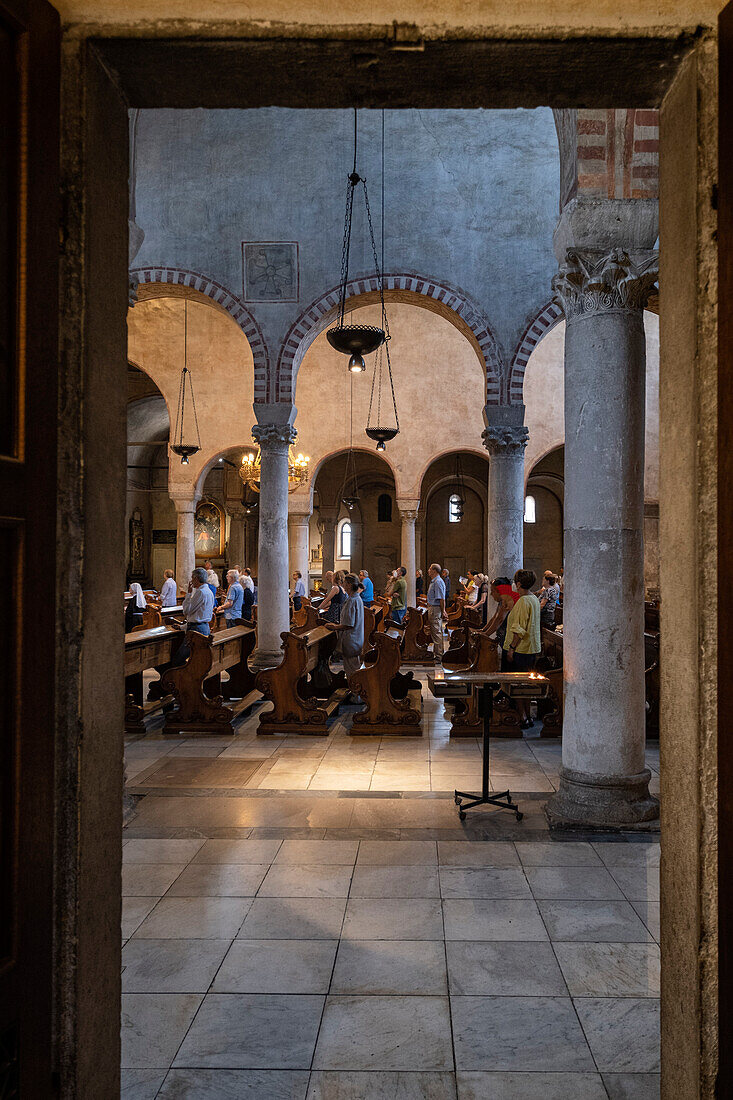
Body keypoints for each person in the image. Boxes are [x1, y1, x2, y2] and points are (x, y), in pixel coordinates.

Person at [502, 568, 542, 729]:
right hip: (531, 648)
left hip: (520, 649)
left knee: (516, 685)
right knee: (526, 685)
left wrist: (511, 648)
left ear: (518, 584)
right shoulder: (534, 599)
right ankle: (528, 716)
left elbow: (519, 628)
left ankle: (522, 716)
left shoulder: (523, 601)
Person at [324, 572, 365, 676]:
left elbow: (348, 624)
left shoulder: (352, 601)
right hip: (356, 638)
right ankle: (355, 688)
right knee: (353, 666)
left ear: (349, 585)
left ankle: (356, 690)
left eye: (345, 583)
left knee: (352, 670)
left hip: (351, 639)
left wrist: (334, 627)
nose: (343, 586)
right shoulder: (357, 598)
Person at [485, 577, 519, 649]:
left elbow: (499, 619)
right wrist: (483, 631)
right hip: (503, 635)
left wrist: (485, 634)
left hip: (509, 637)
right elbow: (494, 618)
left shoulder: (507, 601)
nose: (491, 594)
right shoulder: (502, 601)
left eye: (493, 591)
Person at [426, 562, 447, 659]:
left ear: (434, 571)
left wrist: (443, 611)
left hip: (435, 608)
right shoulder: (434, 581)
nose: (428, 571)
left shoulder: (438, 581)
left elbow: (441, 599)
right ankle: (437, 653)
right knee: (435, 632)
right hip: (433, 608)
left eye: (430, 569)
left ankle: (439, 655)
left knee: (436, 631)